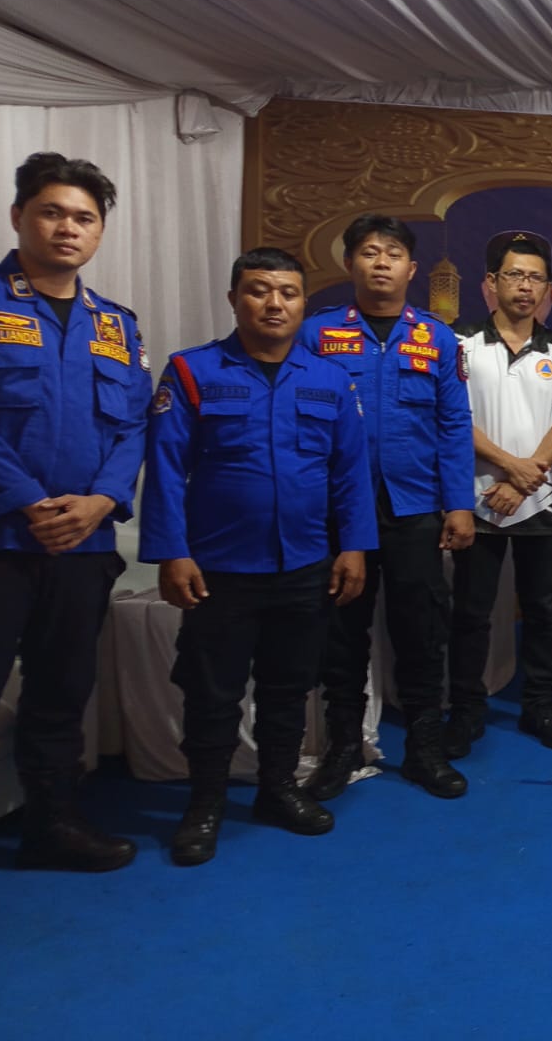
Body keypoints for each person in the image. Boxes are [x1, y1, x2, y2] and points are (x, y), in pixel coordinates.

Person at [140, 247, 377, 866]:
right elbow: (164, 467)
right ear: (233, 298)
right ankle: (205, 804)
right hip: (220, 567)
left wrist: (354, 546)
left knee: (288, 687)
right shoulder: (191, 370)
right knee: (212, 694)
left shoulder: (330, 378)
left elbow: (350, 473)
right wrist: (170, 552)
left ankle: (277, 790)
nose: (274, 303)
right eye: (258, 290)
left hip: (305, 563)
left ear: (304, 302)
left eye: (288, 293)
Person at [0, 154, 149, 930]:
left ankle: (52, 826)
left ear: (100, 231)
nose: (67, 228)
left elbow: (133, 425)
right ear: (19, 216)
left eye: (84, 217)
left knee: (59, 695)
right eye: (52, 212)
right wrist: (28, 500)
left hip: (82, 544)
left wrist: (104, 499)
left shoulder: (117, 324)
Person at [299, 216, 475, 802]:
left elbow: (454, 424)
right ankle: (344, 749)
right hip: (338, 509)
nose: (381, 263)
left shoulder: (437, 338)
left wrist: (459, 504)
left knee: (421, 631)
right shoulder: (316, 334)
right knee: (341, 633)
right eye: (369, 252)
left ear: (411, 268)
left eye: (393, 253)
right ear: (350, 263)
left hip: (414, 506)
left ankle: (424, 750)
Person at [447, 230, 552, 755]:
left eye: (535, 278)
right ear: (491, 282)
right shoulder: (458, 343)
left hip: (540, 500)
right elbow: (450, 417)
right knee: (471, 612)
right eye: (515, 275)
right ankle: (466, 710)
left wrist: (525, 478)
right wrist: (509, 470)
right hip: (477, 501)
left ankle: (540, 706)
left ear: (548, 288)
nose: (525, 287)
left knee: (544, 609)